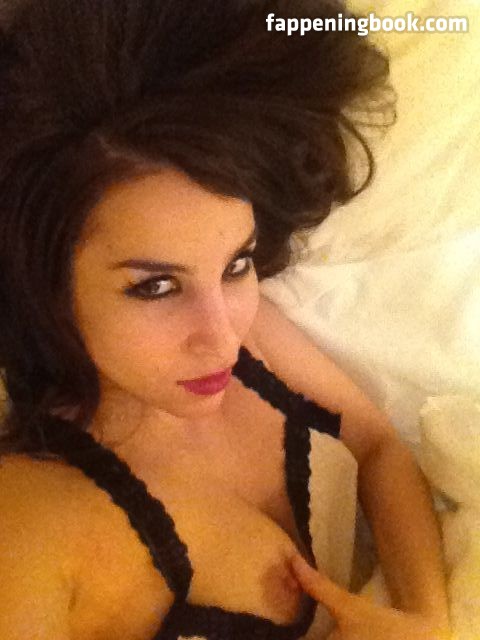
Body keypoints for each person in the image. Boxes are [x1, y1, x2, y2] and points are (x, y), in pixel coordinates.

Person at [0, 1, 451, 638]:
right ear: (42, 286)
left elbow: (378, 445)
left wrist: (426, 619)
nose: (222, 337)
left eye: (237, 263)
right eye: (155, 286)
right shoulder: (30, 519)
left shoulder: (255, 335)